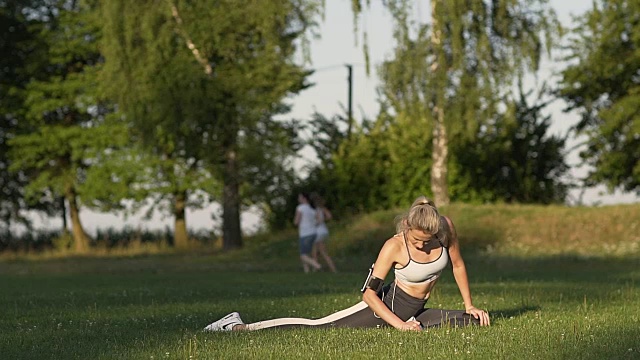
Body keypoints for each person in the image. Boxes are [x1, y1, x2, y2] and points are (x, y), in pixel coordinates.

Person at [204, 195, 490, 332]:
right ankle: (237, 327)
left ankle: (430, 320)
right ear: (406, 226)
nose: (422, 245)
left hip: (416, 310)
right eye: (416, 241)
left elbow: (458, 265)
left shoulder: (446, 227)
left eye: (427, 241)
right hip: (386, 308)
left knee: (472, 322)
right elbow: (368, 294)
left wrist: (469, 305)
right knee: (317, 326)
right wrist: (400, 325)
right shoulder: (394, 245)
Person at [294, 192, 322, 273]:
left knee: (303, 255)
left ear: (304, 198)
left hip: (305, 233)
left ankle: (317, 266)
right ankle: (307, 271)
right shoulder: (311, 208)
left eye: (300, 197)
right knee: (308, 253)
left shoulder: (300, 208)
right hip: (313, 233)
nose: (298, 199)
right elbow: (319, 220)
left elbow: (296, 221)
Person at [310, 192, 337, 273]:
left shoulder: (315, 210)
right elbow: (329, 216)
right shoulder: (322, 208)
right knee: (315, 251)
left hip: (317, 232)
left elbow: (317, 221)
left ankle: (333, 269)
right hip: (323, 230)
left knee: (322, 251)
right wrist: (323, 220)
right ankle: (315, 268)